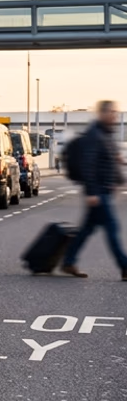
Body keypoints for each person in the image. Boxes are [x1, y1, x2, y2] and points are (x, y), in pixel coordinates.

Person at [61, 101, 127, 279]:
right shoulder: (94, 135)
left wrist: (119, 176)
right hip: (98, 193)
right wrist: (91, 192)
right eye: (113, 112)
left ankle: (68, 262)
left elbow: (110, 160)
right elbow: (88, 165)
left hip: (103, 191)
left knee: (86, 229)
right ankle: (125, 266)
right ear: (103, 113)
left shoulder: (105, 135)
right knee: (112, 228)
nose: (116, 116)